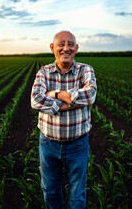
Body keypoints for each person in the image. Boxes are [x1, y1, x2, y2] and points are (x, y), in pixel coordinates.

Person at [31, 31, 97, 209]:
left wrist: (54, 95)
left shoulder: (86, 70)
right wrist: (74, 101)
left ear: (76, 48)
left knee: (77, 195)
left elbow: (90, 95)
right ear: (52, 47)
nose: (65, 48)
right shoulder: (43, 72)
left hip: (78, 145)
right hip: (48, 145)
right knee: (50, 191)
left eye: (70, 44)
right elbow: (35, 99)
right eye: (61, 44)